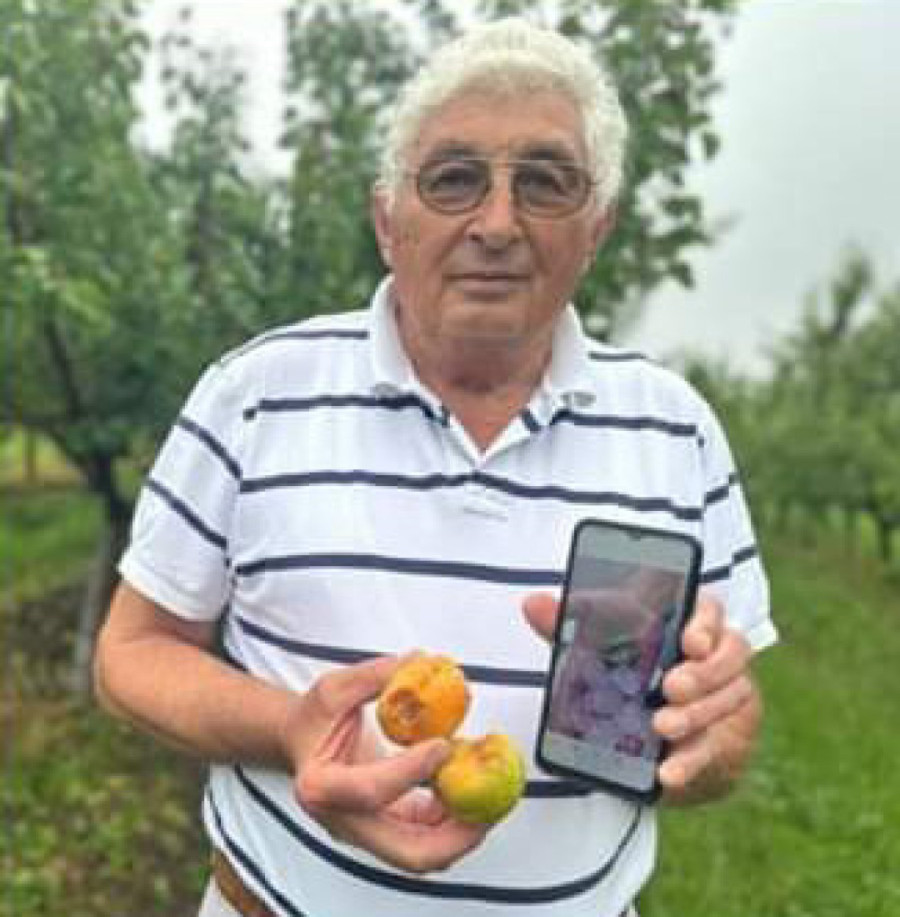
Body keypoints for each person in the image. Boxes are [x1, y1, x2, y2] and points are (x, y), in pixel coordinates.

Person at [94, 18, 776, 917]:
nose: (496, 223)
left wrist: (706, 737)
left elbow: (725, 720)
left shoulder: (675, 428)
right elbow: (132, 653)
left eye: (546, 182)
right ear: (389, 222)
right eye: (454, 178)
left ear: (597, 228)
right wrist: (291, 727)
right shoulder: (256, 392)